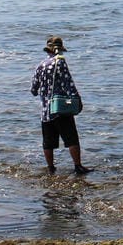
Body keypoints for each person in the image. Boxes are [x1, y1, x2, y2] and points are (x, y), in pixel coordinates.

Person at [30, 35, 91, 175]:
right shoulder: (60, 63)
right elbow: (68, 84)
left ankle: (51, 168)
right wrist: (78, 99)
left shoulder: (40, 65)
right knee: (71, 138)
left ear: (48, 50)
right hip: (60, 108)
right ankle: (78, 166)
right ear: (60, 49)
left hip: (45, 111)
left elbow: (33, 90)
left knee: (48, 142)